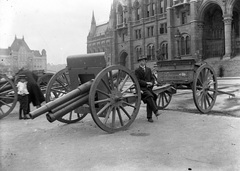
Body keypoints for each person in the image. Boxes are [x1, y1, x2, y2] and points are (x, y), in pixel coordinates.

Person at [135, 56, 161, 123]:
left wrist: (151, 83)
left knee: (154, 96)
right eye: (141, 61)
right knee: (149, 96)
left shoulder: (148, 69)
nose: (142, 62)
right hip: (142, 88)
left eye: (143, 61)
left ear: (145, 61)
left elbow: (152, 78)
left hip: (149, 88)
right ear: (139, 62)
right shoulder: (137, 71)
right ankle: (155, 111)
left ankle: (149, 117)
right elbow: (137, 80)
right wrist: (146, 83)